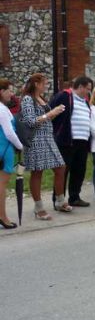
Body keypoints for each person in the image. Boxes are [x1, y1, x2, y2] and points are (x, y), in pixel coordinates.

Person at [20, 73, 68, 219]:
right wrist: (50, 113)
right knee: (37, 172)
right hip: (35, 140)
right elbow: (30, 121)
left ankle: (60, 201)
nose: (46, 86)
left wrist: (55, 113)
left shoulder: (41, 99)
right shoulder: (28, 99)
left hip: (48, 138)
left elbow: (45, 119)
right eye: (44, 83)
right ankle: (38, 207)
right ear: (36, 84)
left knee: (61, 167)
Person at [50, 75, 93, 207]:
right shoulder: (64, 96)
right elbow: (51, 112)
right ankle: (58, 199)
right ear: (80, 87)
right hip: (67, 141)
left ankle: (74, 197)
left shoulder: (85, 101)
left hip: (82, 141)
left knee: (79, 170)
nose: (89, 91)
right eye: (88, 88)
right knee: (63, 171)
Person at [0, 79, 23, 229]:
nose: (12, 94)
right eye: (9, 90)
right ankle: (2, 216)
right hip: (4, 149)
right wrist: (21, 146)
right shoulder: (1, 109)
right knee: (1, 184)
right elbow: (9, 133)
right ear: (1, 92)